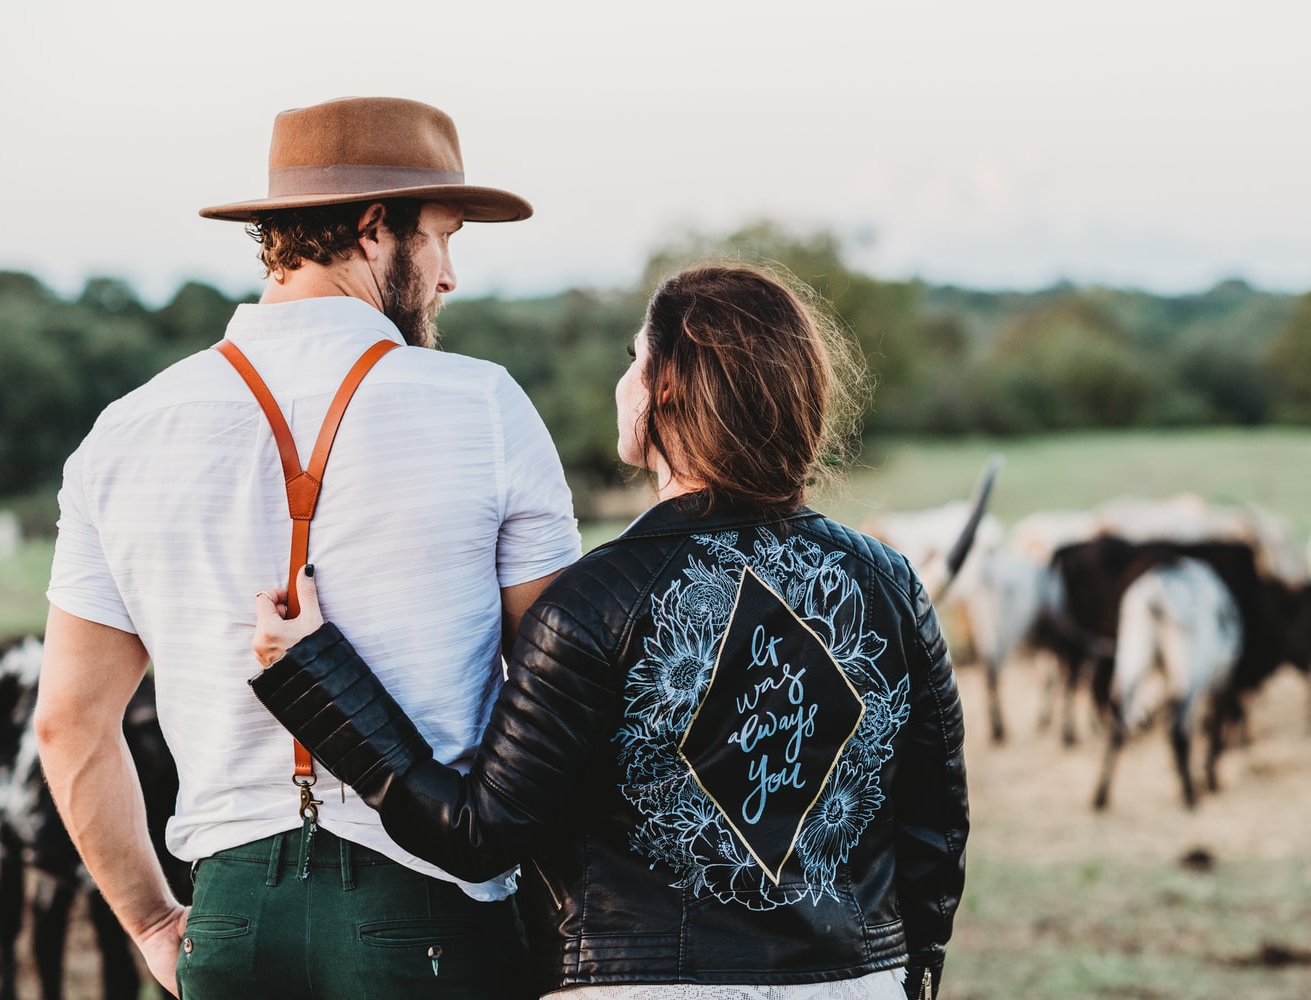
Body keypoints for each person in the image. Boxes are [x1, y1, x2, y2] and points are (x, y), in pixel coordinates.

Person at [251, 263, 971, 999]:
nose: (623, 380)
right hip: (859, 982)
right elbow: (934, 832)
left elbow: (477, 835)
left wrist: (316, 671)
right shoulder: (890, 584)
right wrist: (910, 970)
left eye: (635, 357)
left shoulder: (591, 604)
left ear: (665, 387)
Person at [34, 96, 582, 999]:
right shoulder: (482, 407)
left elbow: (69, 724)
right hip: (434, 914)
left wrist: (152, 922)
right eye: (444, 237)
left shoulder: (123, 434)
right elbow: (558, 692)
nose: (449, 277)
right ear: (374, 231)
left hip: (233, 921)